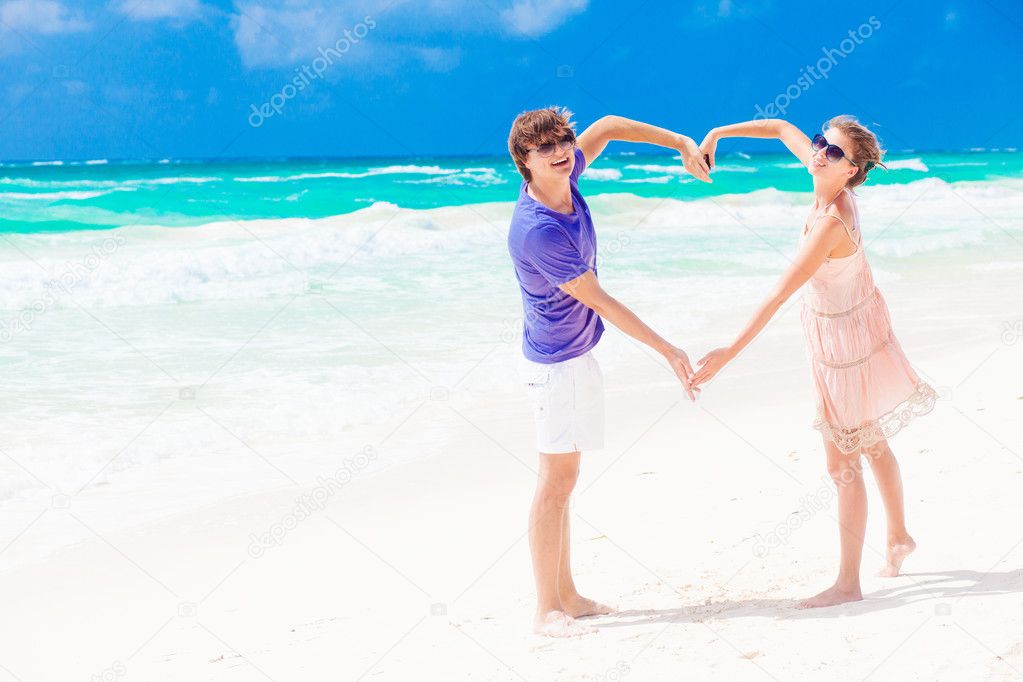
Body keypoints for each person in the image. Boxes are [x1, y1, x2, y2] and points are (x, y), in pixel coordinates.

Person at [692, 116, 937, 608]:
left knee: (842, 462)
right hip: (851, 325)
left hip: (845, 348)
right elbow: (782, 127)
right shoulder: (830, 182)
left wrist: (727, 354)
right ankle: (898, 537)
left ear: (852, 171)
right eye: (822, 143)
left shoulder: (829, 222)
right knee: (871, 441)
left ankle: (848, 584)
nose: (820, 153)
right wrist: (717, 134)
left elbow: (779, 294)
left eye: (835, 153)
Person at [507, 107, 710, 636]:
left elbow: (612, 125)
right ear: (524, 163)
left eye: (563, 142)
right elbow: (599, 299)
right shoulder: (538, 232)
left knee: (564, 482)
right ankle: (544, 609)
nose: (560, 152)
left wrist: (682, 139)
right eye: (544, 149)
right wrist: (667, 349)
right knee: (555, 483)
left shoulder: (566, 176)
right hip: (554, 367)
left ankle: (568, 596)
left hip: (574, 356)